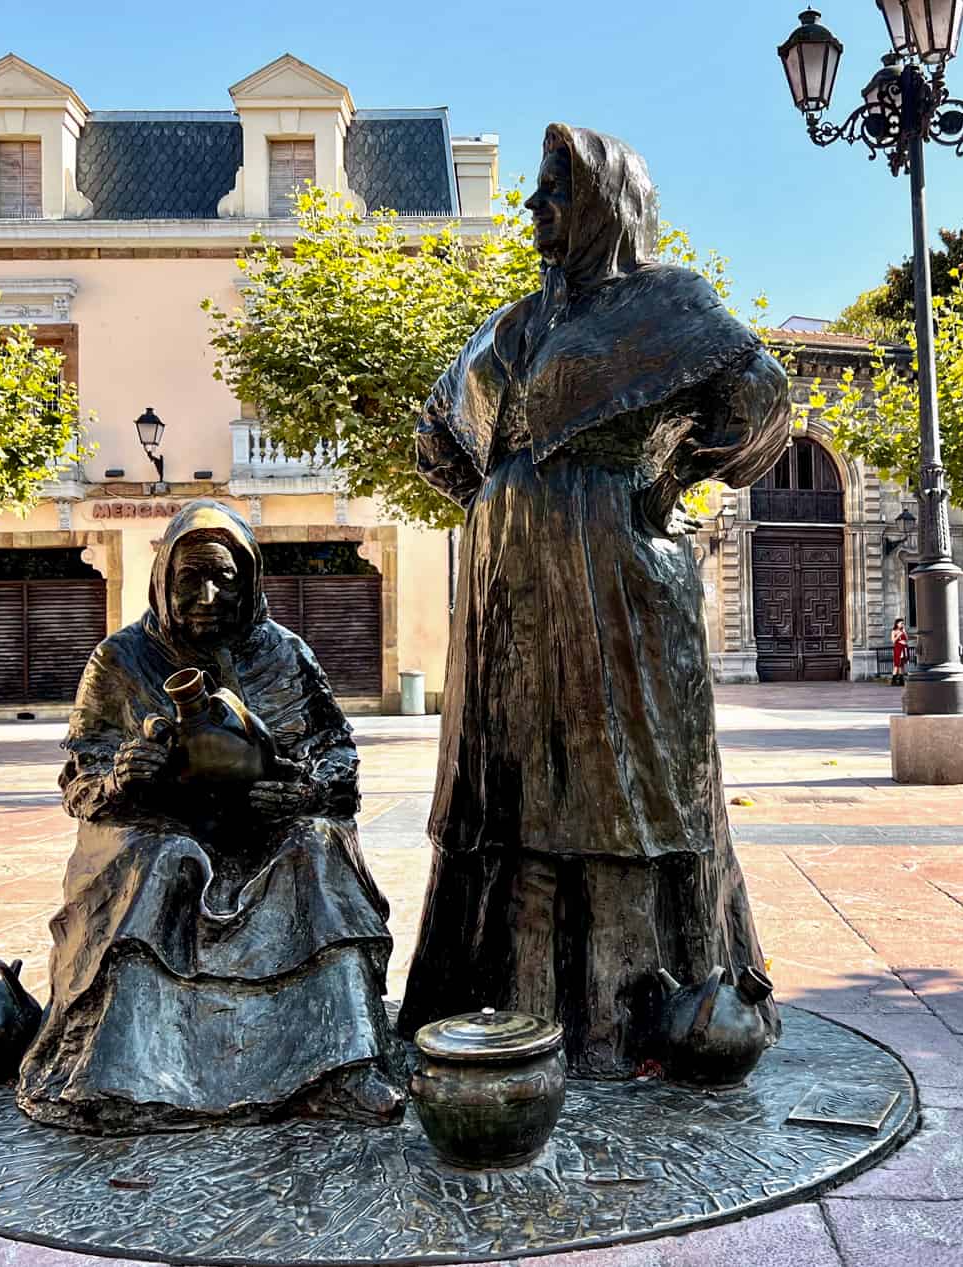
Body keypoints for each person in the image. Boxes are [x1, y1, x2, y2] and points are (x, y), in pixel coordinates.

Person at [397, 124, 789, 1078]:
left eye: (555, 192)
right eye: (534, 193)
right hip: (505, 576)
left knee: (620, 781)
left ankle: (629, 1009)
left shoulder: (669, 303)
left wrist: (663, 484)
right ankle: (496, 994)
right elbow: (438, 433)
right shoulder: (513, 322)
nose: (535, 209)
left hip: (614, 572)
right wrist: (499, 503)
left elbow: (764, 402)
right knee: (509, 780)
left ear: (607, 203)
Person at [16, 500, 404, 1133]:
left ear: (250, 582)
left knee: (318, 847)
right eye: (190, 578)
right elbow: (80, 779)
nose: (209, 594)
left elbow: (337, 754)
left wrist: (305, 791)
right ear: (163, 581)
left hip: (266, 832)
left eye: (226, 577)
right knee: (159, 861)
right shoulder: (121, 660)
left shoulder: (286, 654)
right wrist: (119, 775)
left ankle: (342, 1064)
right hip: (160, 829)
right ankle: (124, 1074)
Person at [891, 617, 909, 685]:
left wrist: (904, 632)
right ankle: (894, 681)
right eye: (901, 623)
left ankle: (901, 681)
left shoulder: (903, 630)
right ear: (897, 624)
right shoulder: (894, 631)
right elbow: (893, 641)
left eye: (903, 623)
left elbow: (907, 639)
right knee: (897, 664)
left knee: (902, 665)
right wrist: (898, 635)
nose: (902, 624)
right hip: (898, 648)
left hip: (904, 648)